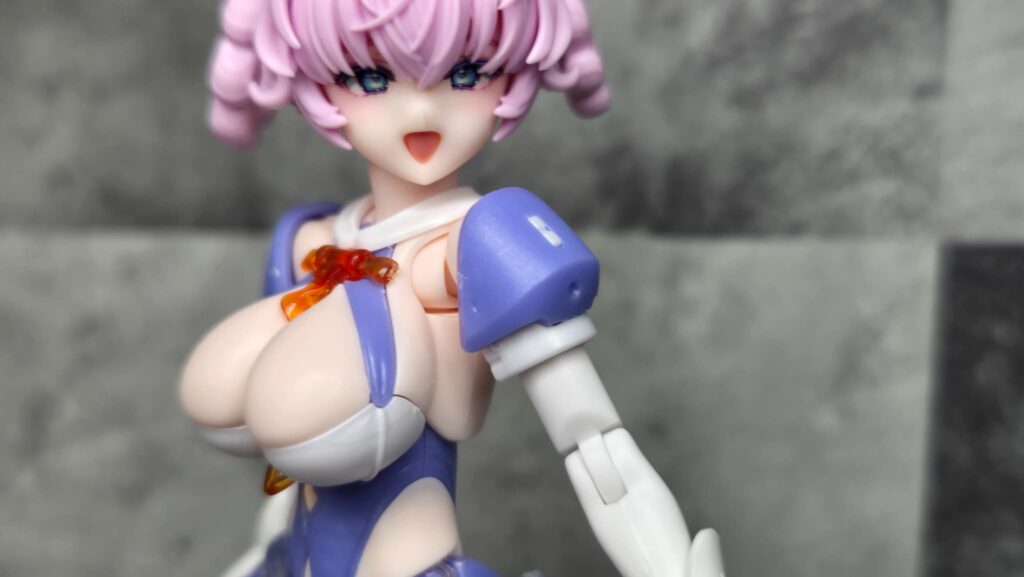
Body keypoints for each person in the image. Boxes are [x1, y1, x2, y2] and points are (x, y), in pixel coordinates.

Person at [180, 0, 725, 575]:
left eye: (466, 74)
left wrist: (668, 564)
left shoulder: (478, 248)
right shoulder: (314, 242)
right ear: (313, 82)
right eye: (369, 78)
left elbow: (593, 441)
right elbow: (287, 457)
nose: (420, 111)